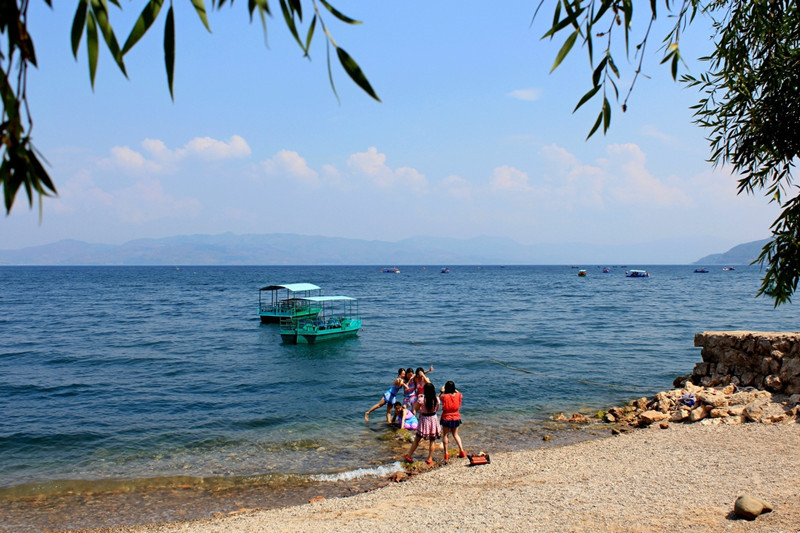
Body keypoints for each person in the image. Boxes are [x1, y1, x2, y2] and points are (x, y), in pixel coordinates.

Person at [403, 382, 441, 465]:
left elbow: (415, 408)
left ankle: (409, 456)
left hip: (425, 419)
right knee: (432, 440)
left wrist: (421, 409)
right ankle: (430, 458)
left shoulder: (422, 399)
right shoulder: (437, 399)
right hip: (433, 418)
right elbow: (436, 409)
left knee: (417, 439)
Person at [439, 380, 466, 462]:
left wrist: (441, 391)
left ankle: (446, 454)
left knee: (445, 435)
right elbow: (460, 394)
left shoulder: (444, 396)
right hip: (456, 416)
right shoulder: (459, 395)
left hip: (446, 417)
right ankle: (461, 451)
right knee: (455, 435)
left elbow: (438, 398)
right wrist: (455, 389)